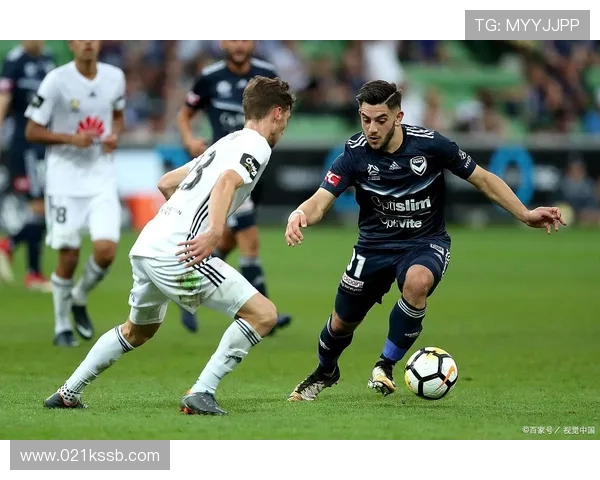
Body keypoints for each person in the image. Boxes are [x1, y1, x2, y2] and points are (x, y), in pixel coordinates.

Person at [285, 80, 566, 402]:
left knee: (417, 282)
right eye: (365, 119)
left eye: (380, 120)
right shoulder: (354, 154)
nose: (371, 128)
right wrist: (299, 213)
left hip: (425, 241)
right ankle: (325, 371)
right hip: (373, 247)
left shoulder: (432, 145)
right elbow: (321, 200)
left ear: (398, 117)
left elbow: (483, 179)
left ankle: (385, 364)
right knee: (341, 324)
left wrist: (525, 214)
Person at [44, 76, 295, 416]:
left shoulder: (226, 142)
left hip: (149, 244)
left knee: (137, 331)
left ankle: (67, 392)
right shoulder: (257, 146)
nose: (284, 127)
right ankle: (202, 391)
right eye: (287, 119)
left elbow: (166, 183)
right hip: (178, 251)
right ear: (277, 113)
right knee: (263, 315)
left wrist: (179, 219)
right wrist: (212, 232)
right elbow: (225, 182)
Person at [176, 40, 292, 334]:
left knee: (227, 242)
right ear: (223, 42)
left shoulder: (266, 75)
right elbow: (184, 115)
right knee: (249, 240)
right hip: (227, 169)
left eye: (244, 38)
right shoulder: (210, 77)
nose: (239, 44)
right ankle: (265, 315)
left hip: (253, 166)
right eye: (233, 38)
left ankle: (186, 287)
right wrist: (190, 140)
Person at [24, 40, 126, 347]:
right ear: (70, 43)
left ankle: (79, 297)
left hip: (101, 175)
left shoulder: (115, 77)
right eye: (81, 37)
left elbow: (117, 115)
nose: (88, 42)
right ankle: (61, 326)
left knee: (106, 251)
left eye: (93, 36)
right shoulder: (56, 80)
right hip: (64, 180)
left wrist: (114, 135)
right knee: (68, 255)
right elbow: (32, 130)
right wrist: (71, 139)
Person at [0, 41, 56, 291]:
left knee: (43, 209)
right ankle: (32, 273)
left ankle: (10, 246)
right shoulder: (15, 62)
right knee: (39, 207)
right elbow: (4, 99)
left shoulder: (49, 61)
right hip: (25, 145)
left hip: (46, 144)